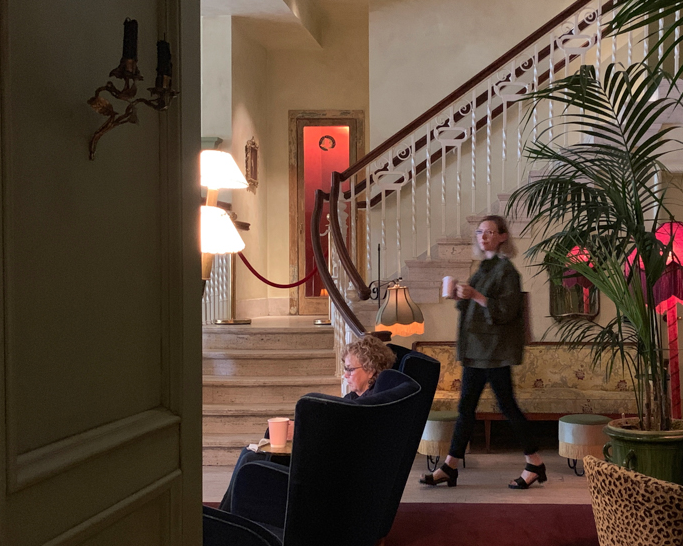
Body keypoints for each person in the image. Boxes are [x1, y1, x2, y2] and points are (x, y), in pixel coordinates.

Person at [420, 215, 546, 490]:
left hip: (493, 351)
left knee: (506, 406)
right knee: (466, 407)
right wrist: (460, 296)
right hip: (477, 350)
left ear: (503, 236)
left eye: (489, 232)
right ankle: (450, 467)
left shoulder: (506, 271)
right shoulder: (484, 268)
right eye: (480, 232)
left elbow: (506, 310)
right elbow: (475, 308)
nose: (483, 236)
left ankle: (535, 462)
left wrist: (476, 295)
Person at [218, 334, 393, 512]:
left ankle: (225, 519)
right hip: (324, 462)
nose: (344, 375)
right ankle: (226, 516)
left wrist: (304, 432)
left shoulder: (367, 406)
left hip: (327, 476)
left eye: (350, 369)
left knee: (250, 460)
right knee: (249, 452)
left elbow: (342, 440)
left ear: (370, 369)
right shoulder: (357, 398)